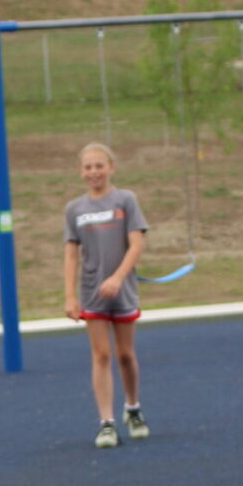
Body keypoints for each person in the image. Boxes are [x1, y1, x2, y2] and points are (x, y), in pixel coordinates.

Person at [63, 142, 150, 448]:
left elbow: (137, 244)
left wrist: (117, 277)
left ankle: (133, 407)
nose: (94, 172)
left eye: (99, 165)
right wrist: (70, 296)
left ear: (111, 168)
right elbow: (71, 254)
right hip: (92, 291)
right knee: (101, 355)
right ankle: (106, 422)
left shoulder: (126, 200)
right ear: (81, 172)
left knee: (125, 355)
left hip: (122, 289)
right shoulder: (75, 209)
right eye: (88, 167)